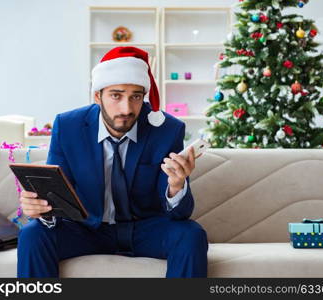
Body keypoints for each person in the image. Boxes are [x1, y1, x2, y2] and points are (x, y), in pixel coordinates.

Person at [17, 46, 208, 278]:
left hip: (145, 229)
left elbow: (180, 215)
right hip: (86, 229)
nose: (126, 109)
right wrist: (41, 209)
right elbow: (59, 195)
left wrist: (177, 186)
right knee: (32, 234)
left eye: (135, 97)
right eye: (116, 95)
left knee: (191, 234)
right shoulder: (68, 126)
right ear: (97, 96)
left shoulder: (167, 129)